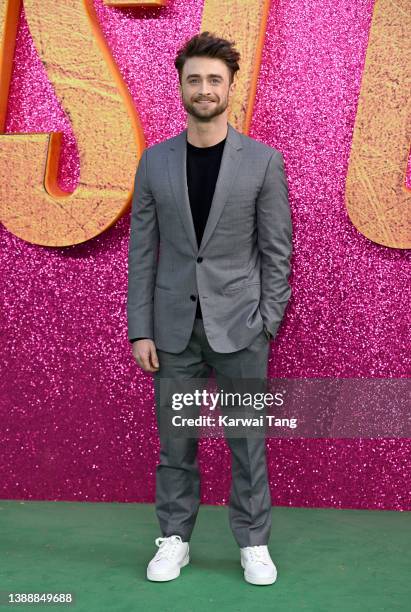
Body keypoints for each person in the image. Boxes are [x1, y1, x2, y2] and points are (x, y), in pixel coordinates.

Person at [127, 31, 292, 585]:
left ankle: (253, 543)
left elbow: (276, 251)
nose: (204, 89)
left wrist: (267, 321)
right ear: (180, 86)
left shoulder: (263, 162)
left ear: (230, 88)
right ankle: (174, 538)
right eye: (194, 79)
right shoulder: (154, 163)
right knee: (176, 446)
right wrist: (140, 329)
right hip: (172, 332)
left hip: (242, 329)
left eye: (213, 80)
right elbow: (143, 251)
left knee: (248, 445)